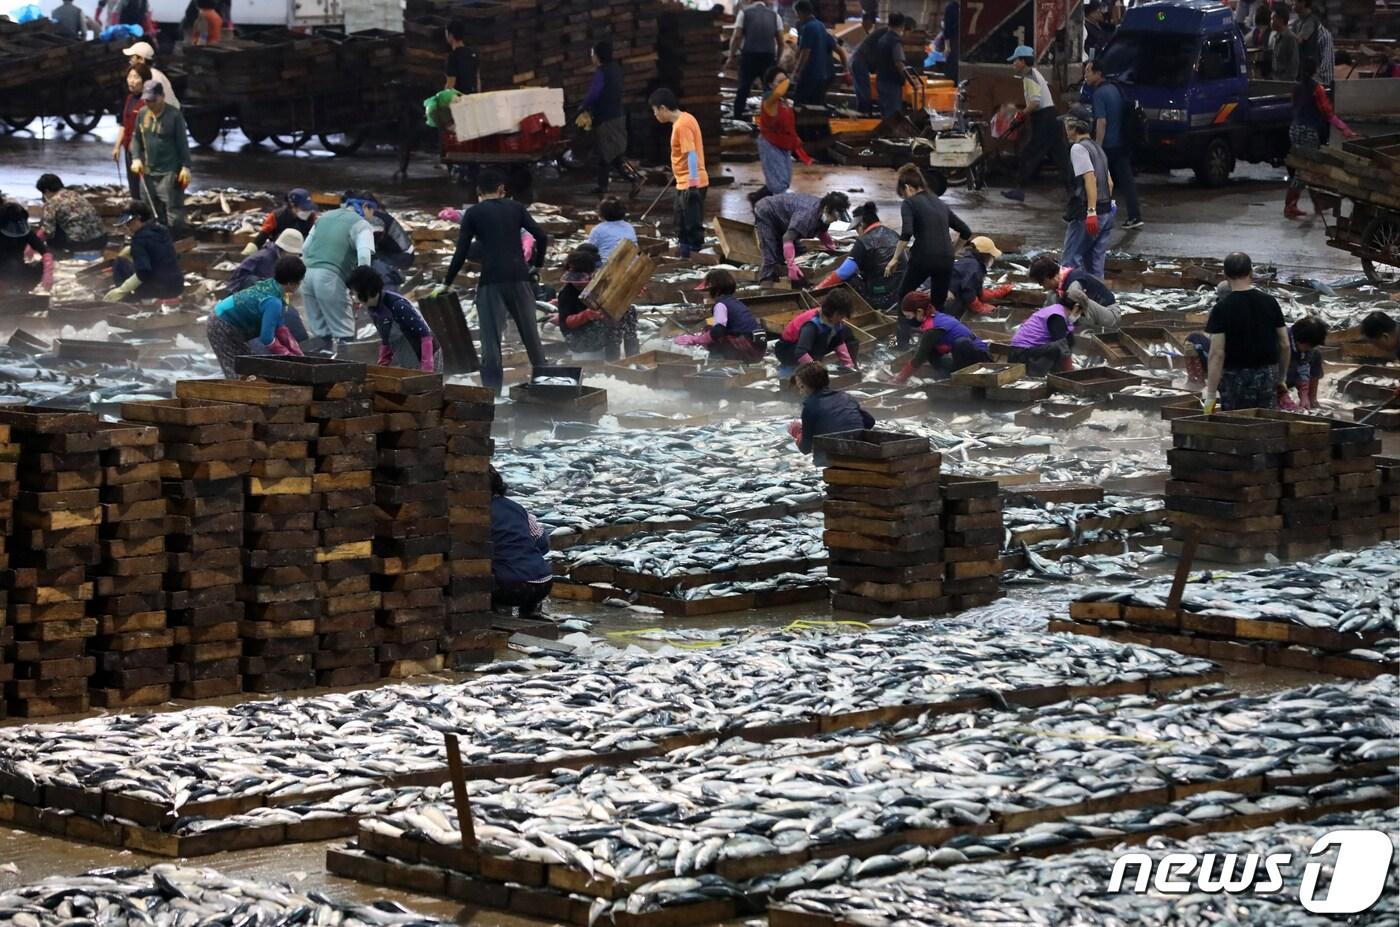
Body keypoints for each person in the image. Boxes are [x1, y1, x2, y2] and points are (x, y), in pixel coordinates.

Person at [441, 169, 549, 393]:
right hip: (520, 279)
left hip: (491, 283)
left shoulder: (473, 213)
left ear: (478, 191)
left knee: (491, 344)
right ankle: (548, 389)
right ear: (501, 189)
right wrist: (537, 265)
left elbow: (461, 251)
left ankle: (493, 398)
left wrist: (447, 282)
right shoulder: (516, 208)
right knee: (532, 339)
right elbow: (541, 235)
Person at [887, 163, 972, 342]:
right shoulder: (939, 203)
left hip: (923, 257)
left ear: (907, 188)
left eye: (903, 194)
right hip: (946, 259)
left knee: (904, 296)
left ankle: (902, 343)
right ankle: (935, 343)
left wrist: (894, 258)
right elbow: (965, 231)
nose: (904, 197)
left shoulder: (909, 203)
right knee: (937, 304)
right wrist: (952, 251)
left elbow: (907, 232)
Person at [1201, 251, 1289, 413]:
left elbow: (1217, 354)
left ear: (1225, 274)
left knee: (1237, 426)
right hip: (1267, 375)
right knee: (1266, 423)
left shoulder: (1221, 309)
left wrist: (1211, 395)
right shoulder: (1270, 302)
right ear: (1251, 272)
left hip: (1235, 378)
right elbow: (1284, 343)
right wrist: (1281, 379)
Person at [300, 192, 378, 349]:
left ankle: (321, 363)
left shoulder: (324, 217)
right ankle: (346, 366)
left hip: (306, 276)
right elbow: (363, 256)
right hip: (330, 278)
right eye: (372, 211)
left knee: (320, 332)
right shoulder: (361, 225)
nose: (371, 216)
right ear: (365, 207)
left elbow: (305, 248)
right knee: (344, 331)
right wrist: (362, 287)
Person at [207, 257, 305, 376]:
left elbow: (280, 329)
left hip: (227, 321)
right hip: (221, 323)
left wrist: (298, 354)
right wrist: (287, 355)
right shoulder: (273, 301)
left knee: (250, 367)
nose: (299, 285)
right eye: (299, 281)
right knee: (237, 370)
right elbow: (267, 338)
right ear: (291, 283)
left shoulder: (274, 287)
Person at [1286, 59, 1355, 219]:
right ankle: (1291, 205)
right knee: (1306, 168)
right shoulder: (1317, 89)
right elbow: (1327, 113)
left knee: (1309, 167)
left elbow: (1294, 108)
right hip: (1309, 131)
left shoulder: (1296, 88)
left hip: (1295, 129)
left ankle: (1317, 204)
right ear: (1315, 70)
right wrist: (1345, 130)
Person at [1001, 45, 1070, 202]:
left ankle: (1019, 190)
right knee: (1060, 157)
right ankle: (1075, 190)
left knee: (1029, 154)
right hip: (1051, 117)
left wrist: (1021, 115)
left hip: (1044, 118)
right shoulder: (1034, 74)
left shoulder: (1029, 77)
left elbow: (1035, 102)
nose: (1013, 64)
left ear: (1023, 61)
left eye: (1015, 61)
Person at [649, 89, 709, 258]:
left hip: (691, 183)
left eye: (655, 111)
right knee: (681, 222)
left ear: (663, 108)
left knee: (691, 225)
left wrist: (692, 182)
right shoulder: (685, 119)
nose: (655, 115)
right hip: (684, 181)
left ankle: (694, 258)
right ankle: (684, 255)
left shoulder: (682, 125)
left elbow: (691, 153)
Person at [347, 266, 441, 373]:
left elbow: (425, 334)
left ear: (366, 291)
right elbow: (386, 339)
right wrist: (382, 365)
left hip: (429, 356)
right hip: (408, 357)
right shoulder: (373, 309)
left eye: (353, 293)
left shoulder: (397, 305)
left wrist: (427, 368)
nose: (352, 297)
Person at [814, 201, 904, 312]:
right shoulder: (893, 234)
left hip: (879, 299)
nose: (857, 232)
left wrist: (818, 288)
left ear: (861, 224)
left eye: (856, 228)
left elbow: (844, 272)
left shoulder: (864, 241)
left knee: (847, 278)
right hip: (899, 296)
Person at [578, 40, 641, 197]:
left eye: (592, 53)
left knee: (606, 154)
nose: (591, 57)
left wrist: (584, 105)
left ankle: (628, 180)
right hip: (618, 115)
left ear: (598, 55)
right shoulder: (616, 69)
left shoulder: (602, 71)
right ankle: (610, 184)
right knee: (612, 154)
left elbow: (594, 93)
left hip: (606, 117)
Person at [1084, 60, 1141, 230]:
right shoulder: (1115, 89)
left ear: (1098, 73)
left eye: (1088, 71)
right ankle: (1135, 216)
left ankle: (1088, 214)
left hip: (1108, 145)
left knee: (1091, 179)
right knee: (1126, 181)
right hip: (1121, 142)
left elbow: (1101, 122)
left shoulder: (1099, 94)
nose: (1085, 75)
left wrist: (1098, 148)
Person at [489, 466, 553, 618]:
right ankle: (530, 612)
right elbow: (542, 542)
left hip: (509, 587)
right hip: (543, 582)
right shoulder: (517, 508)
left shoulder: (474, 514)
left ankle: (494, 616)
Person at [131, 80, 191, 231]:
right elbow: (136, 138)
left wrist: (186, 166)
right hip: (148, 172)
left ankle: (174, 241)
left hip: (169, 172)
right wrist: (136, 158)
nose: (149, 103)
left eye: (153, 100)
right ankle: (153, 239)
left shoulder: (174, 116)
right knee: (148, 211)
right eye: (147, 99)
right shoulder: (142, 113)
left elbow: (182, 144)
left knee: (173, 212)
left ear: (162, 97)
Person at [1061, 105, 1114, 278]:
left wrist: (1091, 211)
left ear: (1073, 127)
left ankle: (1072, 301)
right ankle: (1098, 300)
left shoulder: (1078, 149)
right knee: (1095, 265)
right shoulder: (1097, 148)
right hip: (1106, 211)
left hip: (1088, 213)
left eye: (1067, 126)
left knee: (1070, 262)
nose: (1065, 130)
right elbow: (1109, 183)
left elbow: (1089, 178)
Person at [788, 362, 875, 467]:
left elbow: (805, 448)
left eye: (801, 387)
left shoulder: (810, 406)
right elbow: (870, 421)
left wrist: (797, 434)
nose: (800, 392)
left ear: (809, 386)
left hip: (833, 460)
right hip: (860, 452)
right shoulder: (845, 397)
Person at [755, 191, 850, 283]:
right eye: (835, 217)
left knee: (800, 252)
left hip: (784, 218)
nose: (836, 220)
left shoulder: (823, 213)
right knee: (770, 256)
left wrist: (831, 245)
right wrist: (791, 264)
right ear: (826, 209)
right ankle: (766, 286)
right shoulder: (806, 216)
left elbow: (822, 231)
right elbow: (787, 238)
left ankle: (790, 277)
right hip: (767, 212)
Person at [674, 268, 766, 362]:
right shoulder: (735, 302)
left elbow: (718, 331)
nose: (705, 293)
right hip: (758, 348)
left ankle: (721, 364)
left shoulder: (721, 305)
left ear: (716, 289)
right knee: (711, 331)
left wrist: (695, 339)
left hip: (747, 349)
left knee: (711, 333)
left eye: (708, 289)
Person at [889, 300, 991, 382]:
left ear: (919, 312)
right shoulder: (935, 315)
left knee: (960, 343)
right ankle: (949, 375)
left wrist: (899, 378)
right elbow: (923, 351)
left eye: (909, 316)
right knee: (930, 351)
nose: (909, 319)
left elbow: (918, 358)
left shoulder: (933, 329)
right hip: (962, 355)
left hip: (981, 358)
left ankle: (961, 379)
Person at [105, 201, 183, 302]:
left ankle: (129, 299)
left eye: (129, 223)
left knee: (120, 263)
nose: (128, 227)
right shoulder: (162, 230)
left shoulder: (138, 240)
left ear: (138, 219)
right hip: (176, 287)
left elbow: (143, 272)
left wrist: (122, 290)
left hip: (158, 290)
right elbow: (158, 250)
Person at [753, 67, 812, 203]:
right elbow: (779, 91)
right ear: (770, 85)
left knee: (782, 178)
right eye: (779, 81)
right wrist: (789, 79)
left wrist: (795, 138)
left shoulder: (784, 102)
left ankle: (757, 199)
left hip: (783, 143)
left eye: (784, 80)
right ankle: (775, 212)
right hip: (770, 144)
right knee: (779, 183)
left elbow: (788, 124)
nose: (784, 84)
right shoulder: (770, 101)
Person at [774, 289, 860, 376]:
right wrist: (817, 370)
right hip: (787, 350)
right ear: (835, 313)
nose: (843, 318)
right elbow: (800, 352)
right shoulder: (812, 324)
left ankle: (813, 364)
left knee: (845, 332)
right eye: (842, 315)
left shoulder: (833, 321)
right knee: (821, 339)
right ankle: (801, 368)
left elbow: (839, 342)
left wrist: (849, 366)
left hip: (803, 346)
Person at [1028, 256, 1119, 331]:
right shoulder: (1057, 288)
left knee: (1075, 296)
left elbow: (1080, 307)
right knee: (1053, 297)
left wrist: (1069, 324)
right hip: (1093, 315)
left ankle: (1086, 332)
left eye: (1042, 283)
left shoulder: (1074, 284)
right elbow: (1045, 312)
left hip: (1110, 316)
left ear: (1048, 277)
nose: (1043, 287)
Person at [727, 0, 782, 119]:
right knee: (769, 90)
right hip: (768, 57)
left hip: (749, 56)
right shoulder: (775, 16)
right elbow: (781, 42)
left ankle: (737, 117)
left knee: (744, 88)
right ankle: (772, 119)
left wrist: (731, 56)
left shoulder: (744, 13)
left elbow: (736, 36)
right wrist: (777, 61)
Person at [554, 247, 609, 356]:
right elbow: (567, 322)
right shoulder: (566, 293)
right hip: (578, 339)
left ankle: (628, 358)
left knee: (629, 312)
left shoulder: (599, 287)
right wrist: (587, 315)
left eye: (581, 280)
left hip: (605, 337)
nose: (577, 283)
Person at [792, 0, 847, 106]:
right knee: (816, 108)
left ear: (800, 12)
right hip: (823, 77)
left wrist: (797, 72)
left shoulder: (807, 28)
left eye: (796, 14)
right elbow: (839, 50)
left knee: (799, 106)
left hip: (810, 76)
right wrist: (846, 69)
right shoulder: (821, 26)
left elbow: (805, 52)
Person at [35, 174, 105, 252]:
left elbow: (47, 231)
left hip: (81, 244)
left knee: (51, 233)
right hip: (101, 240)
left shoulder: (52, 202)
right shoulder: (75, 194)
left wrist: (32, 244)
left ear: (47, 191)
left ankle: (58, 256)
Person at [1009, 302, 1080, 376]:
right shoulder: (1057, 317)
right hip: (1021, 354)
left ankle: (1057, 374)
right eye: (1080, 313)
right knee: (1058, 347)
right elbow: (1062, 348)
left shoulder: (1056, 309)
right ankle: (1035, 376)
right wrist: (1072, 373)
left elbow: (1068, 341)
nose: (1078, 316)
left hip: (1023, 350)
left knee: (1059, 346)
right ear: (1076, 308)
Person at [945, 236, 1009, 317]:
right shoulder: (974, 266)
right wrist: (981, 308)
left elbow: (976, 289)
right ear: (985, 254)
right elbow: (968, 294)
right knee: (958, 310)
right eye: (991, 255)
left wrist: (998, 293)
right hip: (942, 296)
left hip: (941, 290)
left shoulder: (968, 261)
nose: (992, 257)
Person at [228, 228, 304, 294]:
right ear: (285, 250)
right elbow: (270, 280)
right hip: (239, 289)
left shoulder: (278, 256)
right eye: (294, 254)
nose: (295, 257)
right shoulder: (266, 258)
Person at [0, 204, 53, 294]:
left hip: (19, 270)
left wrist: (48, 272)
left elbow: (44, 251)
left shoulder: (25, 231)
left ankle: (22, 288)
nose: (16, 229)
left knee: (39, 266)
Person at [247, 188, 317, 254]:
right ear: (293, 205)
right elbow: (262, 236)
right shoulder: (276, 216)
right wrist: (252, 247)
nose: (307, 212)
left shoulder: (311, 217)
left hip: (301, 252)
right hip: (278, 252)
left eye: (308, 209)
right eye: (304, 209)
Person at [113, 68, 146, 201]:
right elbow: (124, 124)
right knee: (133, 187)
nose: (131, 81)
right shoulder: (129, 98)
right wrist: (117, 147)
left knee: (145, 187)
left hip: (144, 152)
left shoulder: (147, 101)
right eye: (129, 77)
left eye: (136, 77)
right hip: (129, 150)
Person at [1282, 316, 1327, 410]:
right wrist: (1283, 395)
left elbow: (1304, 367)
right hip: (1273, 378)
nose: (1310, 349)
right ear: (1299, 341)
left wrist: (1304, 394)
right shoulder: (1282, 343)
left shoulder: (1307, 349)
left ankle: (1312, 400)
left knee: (1316, 354)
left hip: (1293, 375)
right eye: (1309, 346)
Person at [873, 13, 912, 116]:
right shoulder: (895, 42)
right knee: (893, 115)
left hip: (881, 81)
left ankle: (885, 132)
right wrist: (908, 78)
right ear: (902, 26)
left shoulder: (882, 39)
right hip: (892, 84)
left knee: (885, 114)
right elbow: (899, 63)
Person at [848, 12, 884, 114]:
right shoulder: (885, 35)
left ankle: (863, 114)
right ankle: (865, 116)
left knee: (862, 93)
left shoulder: (876, 34)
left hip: (857, 61)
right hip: (858, 62)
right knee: (864, 93)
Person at [122, 42, 178, 107]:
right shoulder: (150, 74)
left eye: (132, 58)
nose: (130, 61)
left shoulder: (153, 77)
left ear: (141, 59)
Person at [586, 196, 637, 263]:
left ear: (602, 213)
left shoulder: (598, 229)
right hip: (631, 265)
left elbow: (589, 250)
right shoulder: (629, 226)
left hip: (608, 267)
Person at [444, 18, 480, 93]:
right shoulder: (473, 53)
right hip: (473, 98)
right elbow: (477, 81)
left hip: (459, 100)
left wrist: (442, 100)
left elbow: (450, 84)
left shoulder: (452, 57)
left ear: (450, 35)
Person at [1270, 9, 1299, 82]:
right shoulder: (1276, 37)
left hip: (1285, 82)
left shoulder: (1290, 38)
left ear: (1281, 20)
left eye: (1273, 19)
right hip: (1276, 79)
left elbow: (1294, 63)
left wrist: (1287, 81)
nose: (1271, 22)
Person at [1292, 0, 1321, 72]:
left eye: (1294, 1)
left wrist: (1284, 30)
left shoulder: (1311, 21)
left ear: (1303, 3)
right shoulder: (1296, 22)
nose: (1292, 4)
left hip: (1308, 68)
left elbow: (1299, 40)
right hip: (1298, 65)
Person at [938, 0, 959, 83]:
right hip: (953, 40)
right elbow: (947, 28)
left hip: (960, 40)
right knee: (953, 65)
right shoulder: (951, 7)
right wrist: (947, 46)